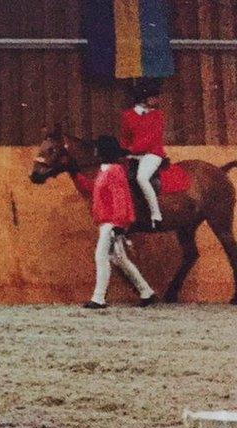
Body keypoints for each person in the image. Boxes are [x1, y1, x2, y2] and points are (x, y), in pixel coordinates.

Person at [83, 136, 157, 309]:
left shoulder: (115, 170)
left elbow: (120, 199)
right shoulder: (104, 170)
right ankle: (147, 292)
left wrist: (118, 224)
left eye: (97, 148)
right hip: (106, 222)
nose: (94, 151)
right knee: (120, 259)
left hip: (111, 222)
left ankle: (98, 298)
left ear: (103, 151)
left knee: (101, 256)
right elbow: (94, 189)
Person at [120, 78, 165, 229]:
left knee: (142, 178)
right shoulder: (127, 115)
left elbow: (152, 139)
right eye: (154, 97)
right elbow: (125, 137)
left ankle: (156, 215)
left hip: (153, 153)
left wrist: (131, 150)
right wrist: (123, 151)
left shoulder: (157, 115)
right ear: (144, 98)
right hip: (134, 154)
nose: (157, 99)